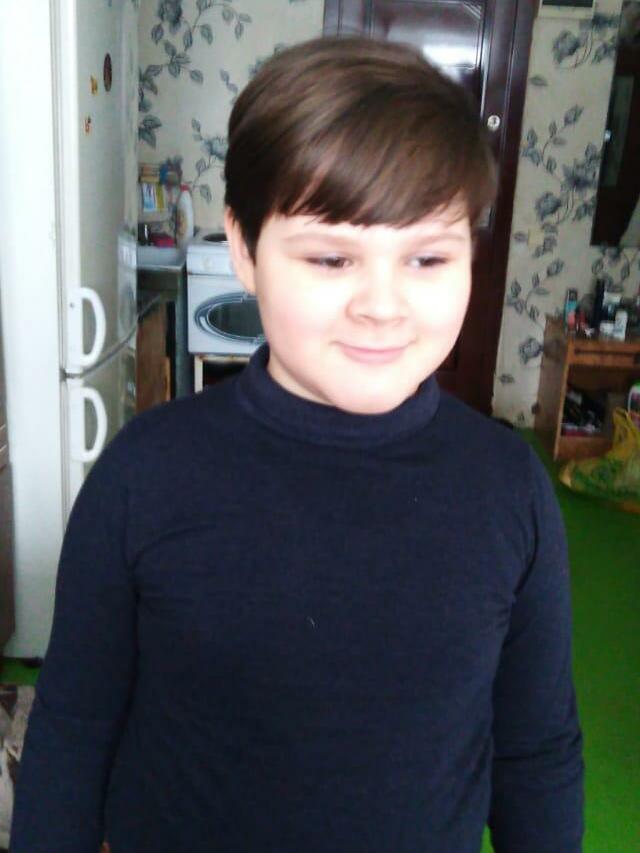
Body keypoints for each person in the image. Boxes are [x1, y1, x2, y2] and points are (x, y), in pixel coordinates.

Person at [10, 35, 584, 853]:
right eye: (331, 257)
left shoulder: (509, 488)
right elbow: (73, 726)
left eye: (427, 257)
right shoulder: (146, 472)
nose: (382, 305)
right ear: (244, 249)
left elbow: (536, 748)